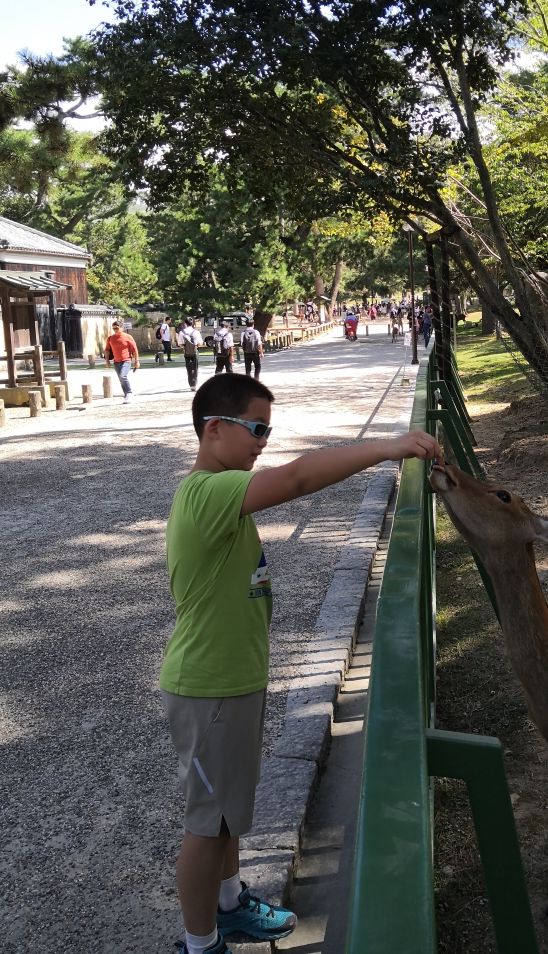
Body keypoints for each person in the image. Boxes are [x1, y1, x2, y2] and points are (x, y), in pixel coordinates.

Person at [159, 373, 441, 953]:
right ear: (214, 429)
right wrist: (390, 447)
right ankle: (199, 944)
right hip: (209, 687)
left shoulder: (222, 493)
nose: (264, 441)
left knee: (229, 813)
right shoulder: (206, 493)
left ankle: (230, 905)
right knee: (206, 825)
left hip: (232, 682)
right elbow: (300, 475)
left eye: (269, 430)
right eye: (256, 428)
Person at [104, 321, 140, 404]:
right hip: (116, 361)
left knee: (123, 376)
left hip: (126, 360)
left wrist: (136, 361)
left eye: (116, 328)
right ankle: (126, 395)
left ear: (121, 327)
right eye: (113, 328)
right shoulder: (111, 338)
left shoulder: (128, 337)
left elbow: (135, 350)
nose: (115, 330)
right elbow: (107, 350)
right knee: (120, 378)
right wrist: (107, 361)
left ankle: (129, 393)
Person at [178, 318, 204, 391]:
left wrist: (185, 345)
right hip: (195, 352)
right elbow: (200, 343)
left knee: (189, 369)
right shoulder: (196, 332)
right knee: (195, 368)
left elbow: (180, 344)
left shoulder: (181, 332)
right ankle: (194, 383)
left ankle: (191, 384)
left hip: (186, 353)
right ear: (192, 323)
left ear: (185, 323)